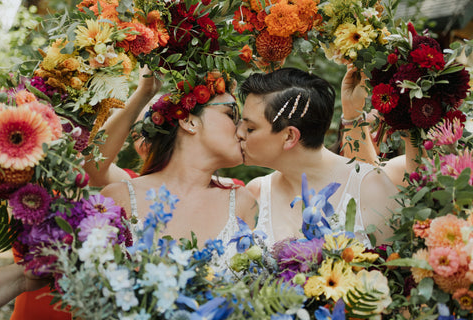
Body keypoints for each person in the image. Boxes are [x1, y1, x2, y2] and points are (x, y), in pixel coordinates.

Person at [100, 70, 257, 270]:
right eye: (231, 114)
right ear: (189, 120)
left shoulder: (244, 202)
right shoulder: (118, 197)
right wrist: (144, 91)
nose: (243, 128)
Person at [236, 67, 400, 248]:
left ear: (290, 136)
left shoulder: (370, 187)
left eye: (250, 128)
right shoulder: (256, 194)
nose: (239, 134)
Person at [339, 64, 419, 188]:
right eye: (366, 126)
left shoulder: (402, 169)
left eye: (376, 127)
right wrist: (352, 112)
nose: (368, 133)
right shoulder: (326, 163)